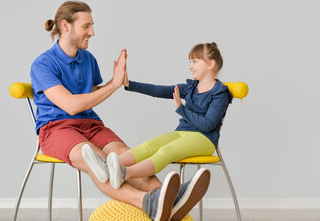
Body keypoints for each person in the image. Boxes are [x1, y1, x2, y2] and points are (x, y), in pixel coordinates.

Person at [30, 0, 210, 221]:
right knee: (96, 161)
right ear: (66, 26)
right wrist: (114, 85)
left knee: (127, 157)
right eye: (86, 26)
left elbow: (92, 93)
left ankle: (168, 201)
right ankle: (149, 202)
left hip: (91, 125)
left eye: (92, 25)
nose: (92, 32)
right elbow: (71, 105)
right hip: (56, 128)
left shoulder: (87, 59)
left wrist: (114, 82)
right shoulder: (43, 64)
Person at [83, 42, 231, 218]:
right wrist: (129, 84)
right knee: (149, 146)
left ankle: (124, 173)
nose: (190, 66)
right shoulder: (191, 87)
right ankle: (107, 166)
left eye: (195, 61)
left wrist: (181, 109)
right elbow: (159, 90)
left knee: (166, 151)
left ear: (211, 63)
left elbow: (208, 124)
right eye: (190, 61)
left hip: (204, 139)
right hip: (182, 132)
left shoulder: (220, 93)